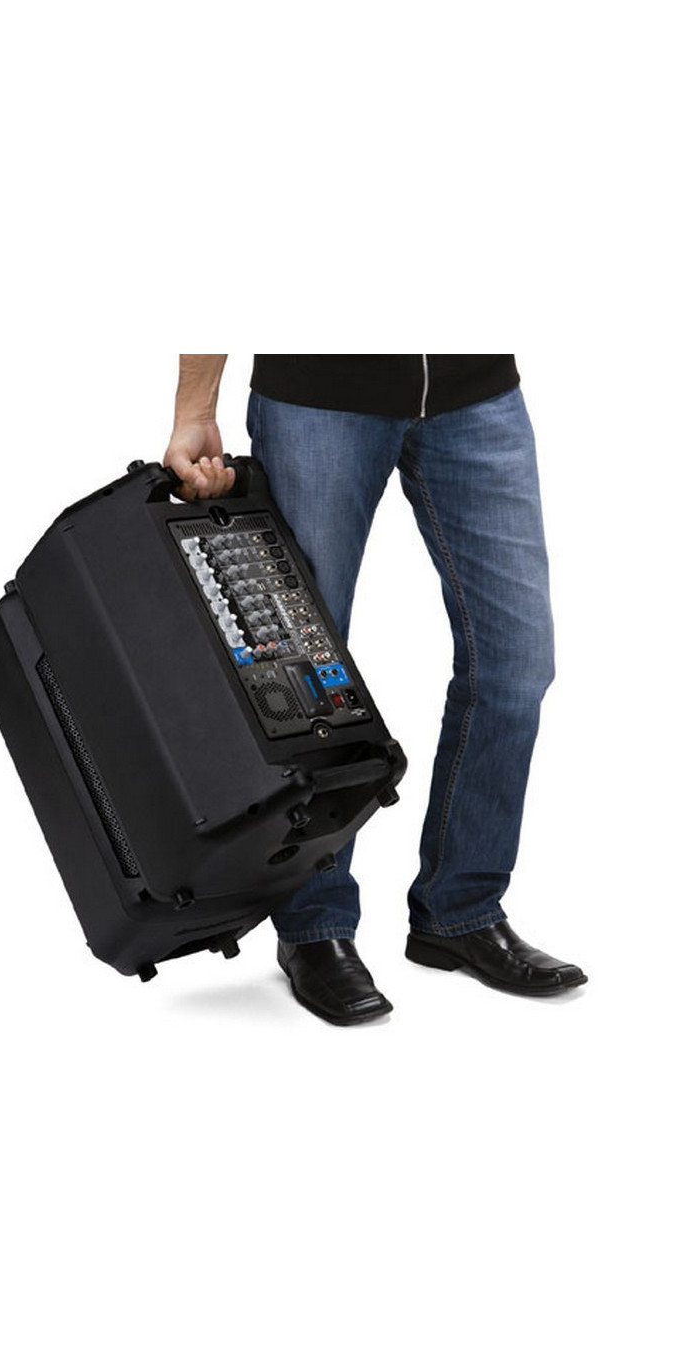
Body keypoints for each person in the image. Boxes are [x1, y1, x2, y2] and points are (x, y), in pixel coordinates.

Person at [163, 355, 587, 1025]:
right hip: (319, 393)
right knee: (305, 678)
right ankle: (315, 925)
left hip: (476, 390)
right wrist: (195, 409)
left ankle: (462, 908)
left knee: (517, 662)